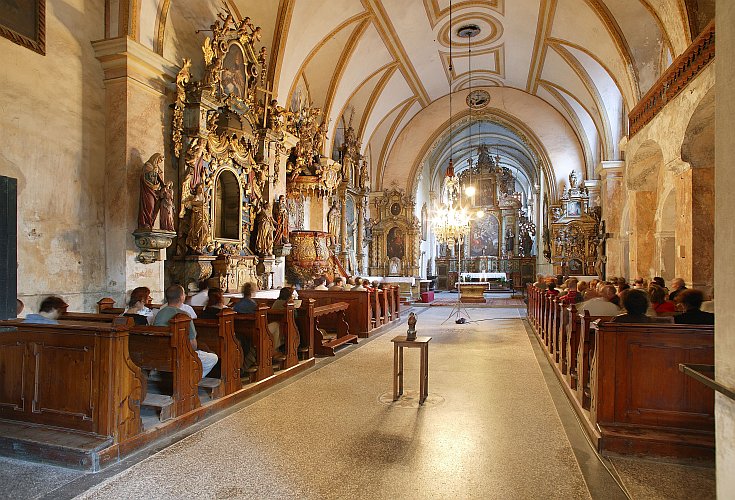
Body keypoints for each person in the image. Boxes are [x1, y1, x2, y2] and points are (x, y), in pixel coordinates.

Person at [154, 285, 218, 378]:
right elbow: (193, 344)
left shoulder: (160, 313)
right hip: (180, 353)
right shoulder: (184, 315)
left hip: (162, 351)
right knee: (212, 358)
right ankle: (190, 379)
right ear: (181, 297)